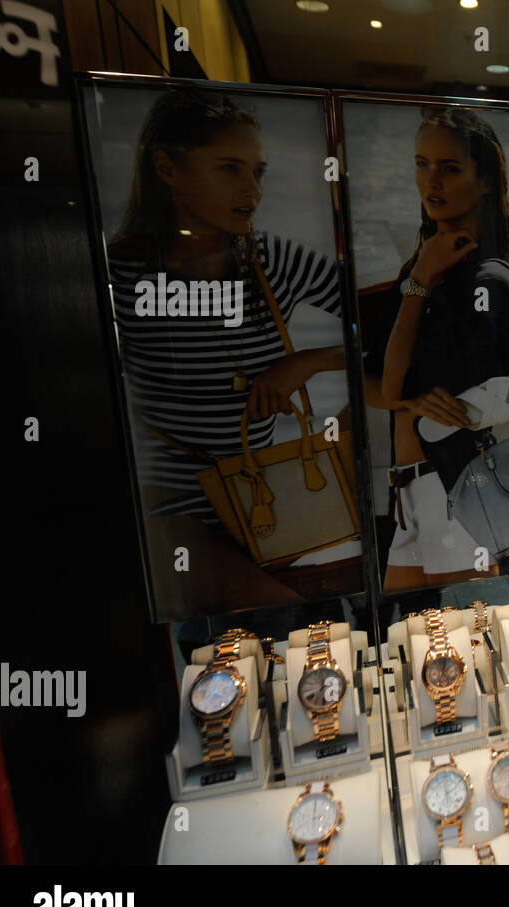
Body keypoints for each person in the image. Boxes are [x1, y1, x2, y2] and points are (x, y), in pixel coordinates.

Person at [107, 89, 348, 618]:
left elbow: (390, 328)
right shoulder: (118, 273)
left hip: (256, 498)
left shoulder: (273, 260)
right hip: (169, 508)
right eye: (230, 169)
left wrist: (304, 363)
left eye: (258, 172)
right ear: (167, 169)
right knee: (304, 625)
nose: (252, 190)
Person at [374, 107, 509, 592]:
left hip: (452, 485)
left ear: (484, 181)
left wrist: (419, 283)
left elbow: (393, 387)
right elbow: (381, 384)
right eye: (422, 164)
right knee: (412, 639)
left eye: (450, 168)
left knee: (461, 637)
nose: (431, 181)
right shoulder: (422, 268)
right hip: (409, 488)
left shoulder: (488, 279)